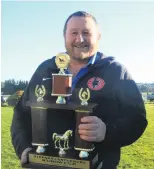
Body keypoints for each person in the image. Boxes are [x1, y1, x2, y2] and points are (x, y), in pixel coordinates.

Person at [11, 11, 148, 169]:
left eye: (86, 33)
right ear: (65, 36)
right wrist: (23, 148)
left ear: (98, 37)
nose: (79, 39)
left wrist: (107, 131)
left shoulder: (116, 71)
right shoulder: (45, 69)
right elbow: (21, 114)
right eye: (74, 32)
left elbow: (137, 119)